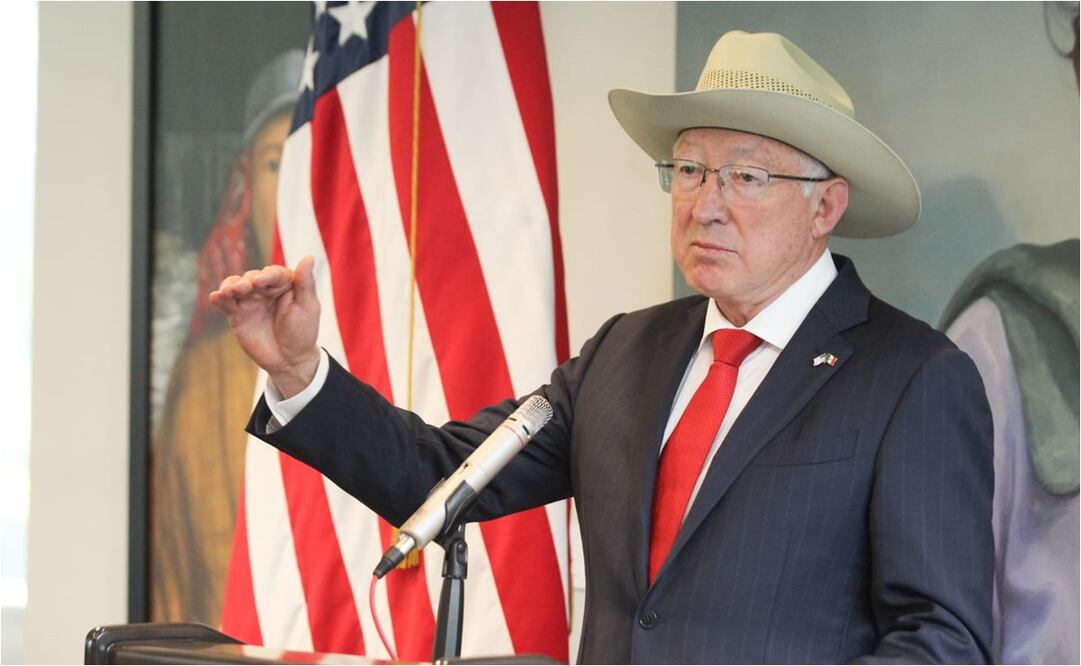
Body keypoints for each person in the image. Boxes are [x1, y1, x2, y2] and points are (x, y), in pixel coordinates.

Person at [210, 31, 993, 663]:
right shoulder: (628, 350)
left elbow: (942, 642)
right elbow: (440, 477)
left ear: (825, 207)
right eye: (688, 170)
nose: (705, 205)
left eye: (746, 177)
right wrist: (299, 372)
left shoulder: (911, 378)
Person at [151, 49, 303, 625]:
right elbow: (170, 579)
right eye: (274, 164)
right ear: (246, 185)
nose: (290, 187)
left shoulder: (394, 358)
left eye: (307, 159)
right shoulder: (201, 379)